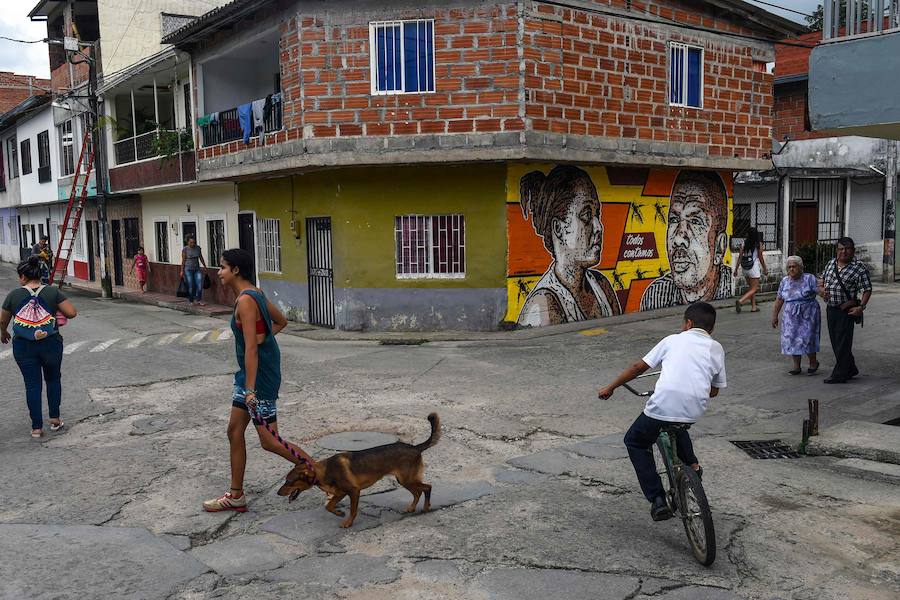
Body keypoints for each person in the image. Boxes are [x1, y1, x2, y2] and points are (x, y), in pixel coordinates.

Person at [202, 248, 313, 512]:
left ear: (236, 270)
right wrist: (265, 338)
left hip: (258, 377)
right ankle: (236, 495)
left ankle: (322, 472)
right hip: (249, 375)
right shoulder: (254, 293)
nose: (219, 273)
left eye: (223, 267)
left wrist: (250, 388)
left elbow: (251, 348)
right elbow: (281, 322)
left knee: (269, 440)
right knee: (234, 431)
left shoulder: (247, 301)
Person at [598, 302, 726, 521]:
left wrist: (611, 387)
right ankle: (693, 467)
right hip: (695, 408)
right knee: (679, 423)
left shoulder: (672, 340)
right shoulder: (716, 348)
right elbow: (714, 391)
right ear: (711, 330)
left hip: (664, 402)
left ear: (687, 323)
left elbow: (639, 368)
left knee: (635, 441)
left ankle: (657, 499)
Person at [517, 165, 622, 326]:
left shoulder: (601, 285)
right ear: (558, 229)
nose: (599, 227)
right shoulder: (542, 307)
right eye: (587, 215)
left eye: (597, 214)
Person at [0, 256, 77, 438]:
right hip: (51, 344)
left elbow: (2, 320)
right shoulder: (52, 292)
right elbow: (71, 313)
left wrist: (3, 333)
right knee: (53, 379)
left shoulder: (14, 295)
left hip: (24, 346)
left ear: (23, 277)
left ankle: (36, 428)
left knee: (32, 385)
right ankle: (55, 419)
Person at [640, 171, 731, 311]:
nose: (678, 239)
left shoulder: (730, 286)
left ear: (719, 247)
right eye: (674, 220)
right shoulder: (655, 296)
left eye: (695, 221)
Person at [817, 237, 871, 384]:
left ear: (853, 251)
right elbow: (821, 279)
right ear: (837, 250)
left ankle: (840, 374)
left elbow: (867, 289)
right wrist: (821, 290)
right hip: (831, 308)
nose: (844, 252)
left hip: (847, 309)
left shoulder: (859, 268)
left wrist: (861, 307)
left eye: (847, 249)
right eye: (841, 249)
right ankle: (850, 367)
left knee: (843, 342)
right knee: (836, 341)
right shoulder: (831, 263)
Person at [771, 256, 821, 375]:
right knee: (792, 339)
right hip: (790, 316)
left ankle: (813, 362)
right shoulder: (784, 281)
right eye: (789, 267)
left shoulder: (809, 278)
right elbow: (779, 299)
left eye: (794, 266)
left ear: (801, 267)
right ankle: (796, 366)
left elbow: (820, 290)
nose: (791, 269)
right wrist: (774, 315)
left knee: (808, 338)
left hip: (808, 313)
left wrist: (825, 293)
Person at [733, 227, 768, 313]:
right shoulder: (758, 244)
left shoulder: (744, 243)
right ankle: (741, 301)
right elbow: (760, 257)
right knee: (754, 289)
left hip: (745, 268)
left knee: (751, 288)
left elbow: (740, 256)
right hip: (753, 268)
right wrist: (765, 268)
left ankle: (754, 307)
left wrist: (736, 269)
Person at [180, 236, 207, 306]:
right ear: (188, 242)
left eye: (194, 242)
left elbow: (201, 257)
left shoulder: (198, 248)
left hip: (197, 269)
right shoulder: (185, 249)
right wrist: (182, 271)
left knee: (199, 285)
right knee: (191, 285)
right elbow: (183, 261)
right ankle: (191, 300)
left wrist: (204, 266)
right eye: (191, 242)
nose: (192, 244)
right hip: (188, 269)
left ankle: (198, 300)